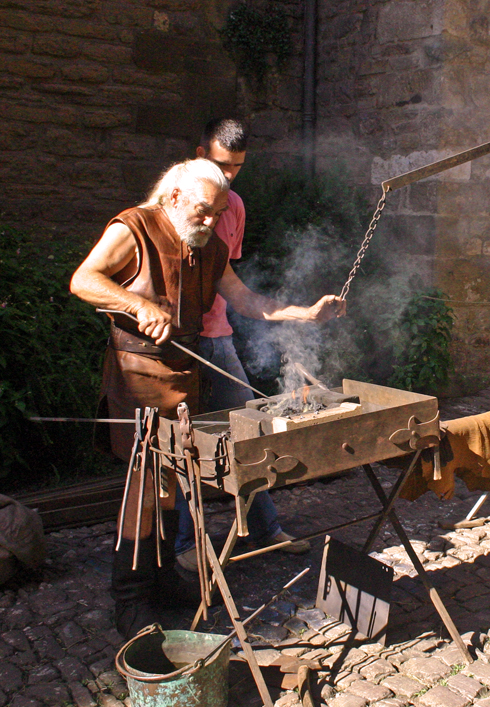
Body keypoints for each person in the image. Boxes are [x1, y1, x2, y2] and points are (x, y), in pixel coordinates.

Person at [69, 158, 345, 639]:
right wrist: (137, 305)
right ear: (175, 196)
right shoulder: (133, 227)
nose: (212, 220)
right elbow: (84, 280)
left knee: (174, 483)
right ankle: (130, 600)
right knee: (145, 489)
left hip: (184, 379)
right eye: (204, 210)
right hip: (137, 377)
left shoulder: (210, 247)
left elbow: (246, 301)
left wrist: (306, 314)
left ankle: (162, 581)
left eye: (218, 213)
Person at [171, 118, 307, 574]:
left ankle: (266, 529)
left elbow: (234, 288)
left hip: (219, 337)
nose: (229, 176)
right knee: (185, 446)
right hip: (177, 348)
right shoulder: (170, 202)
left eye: (237, 168)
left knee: (248, 437)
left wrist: (304, 313)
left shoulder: (236, 207)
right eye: (221, 165)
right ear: (199, 155)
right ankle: (185, 544)